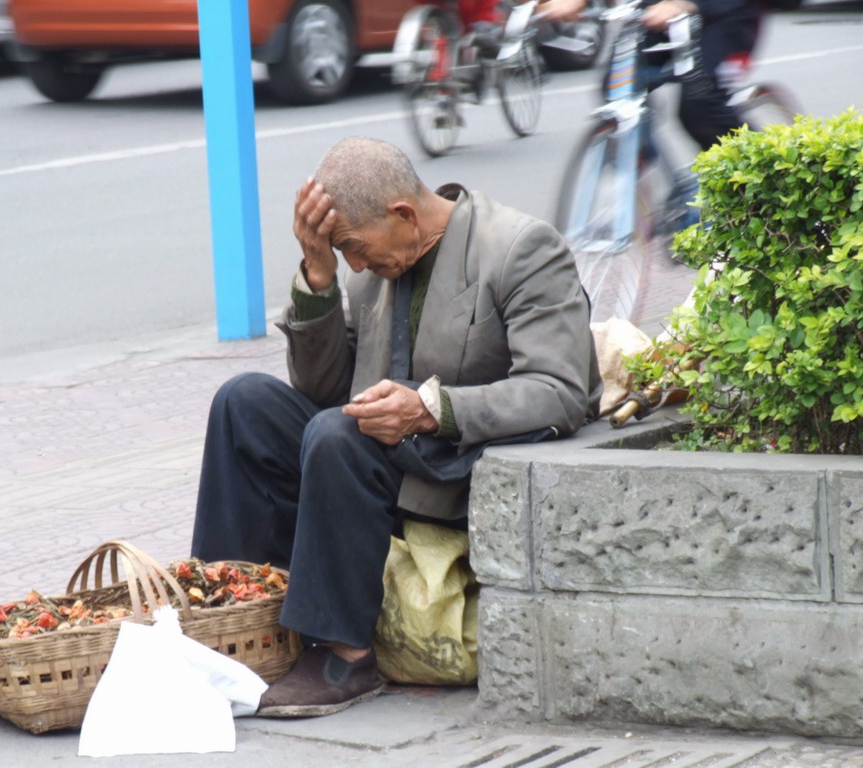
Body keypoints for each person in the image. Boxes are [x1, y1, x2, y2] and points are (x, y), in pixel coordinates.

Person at [190, 137, 602, 718]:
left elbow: (560, 392)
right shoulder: (368, 273)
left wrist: (435, 408)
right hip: (378, 452)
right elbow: (323, 393)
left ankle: (345, 654)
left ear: (403, 216)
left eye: (354, 248)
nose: (355, 264)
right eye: (343, 254)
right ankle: (229, 621)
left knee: (339, 435)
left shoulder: (520, 248)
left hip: (460, 462)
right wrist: (318, 277)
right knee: (244, 403)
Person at [542, 0, 764, 151]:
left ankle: (766, 190)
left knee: (699, 106)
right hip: (654, 12)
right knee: (618, 92)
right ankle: (638, 186)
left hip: (725, 13)